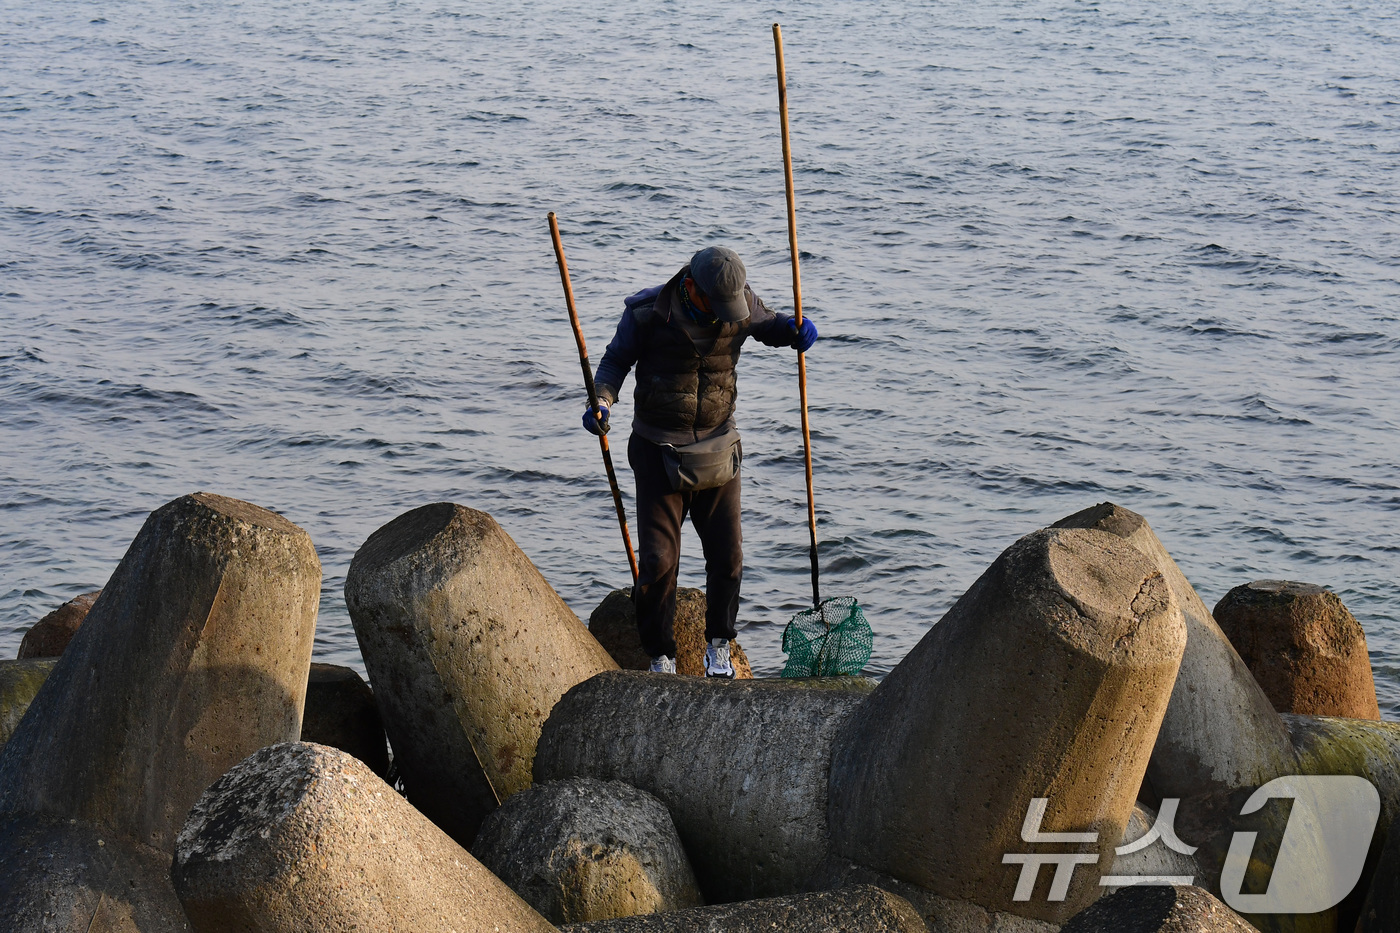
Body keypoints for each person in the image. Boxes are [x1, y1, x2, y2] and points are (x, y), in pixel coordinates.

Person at [583, 246, 817, 677]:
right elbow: (615, 361)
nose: (728, 316)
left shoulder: (740, 305)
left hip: (718, 449)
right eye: (718, 306)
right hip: (658, 450)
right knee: (658, 563)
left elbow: (770, 326)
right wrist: (602, 402)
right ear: (691, 286)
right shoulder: (647, 313)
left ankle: (719, 646)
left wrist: (794, 330)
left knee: (728, 556)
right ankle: (660, 656)